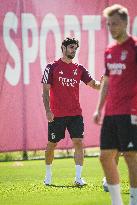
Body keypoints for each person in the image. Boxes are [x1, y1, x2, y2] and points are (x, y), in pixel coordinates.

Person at [41, 37, 101, 186]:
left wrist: (103, 83)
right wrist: (48, 111)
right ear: (63, 47)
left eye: (75, 48)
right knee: (51, 145)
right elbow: (45, 92)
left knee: (78, 142)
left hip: (75, 114)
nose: (73, 50)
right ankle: (48, 175)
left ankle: (78, 178)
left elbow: (94, 84)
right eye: (71, 47)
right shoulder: (52, 67)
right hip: (57, 115)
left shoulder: (79, 69)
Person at [93, 4, 137, 205]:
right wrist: (98, 108)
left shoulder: (134, 48)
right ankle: (117, 203)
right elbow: (107, 82)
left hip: (130, 111)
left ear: (126, 23)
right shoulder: (109, 51)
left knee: (130, 156)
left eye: (115, 24)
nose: (111, 28)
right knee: (105, 156)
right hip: (111, 113)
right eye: (109, 24)